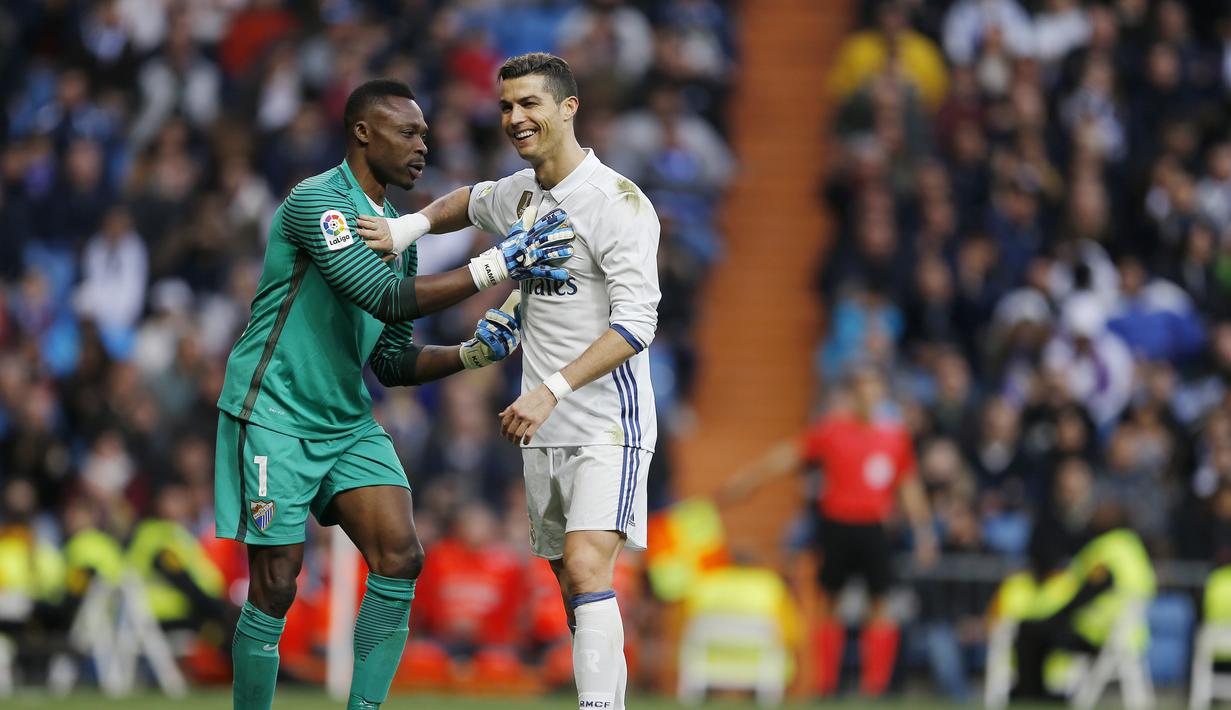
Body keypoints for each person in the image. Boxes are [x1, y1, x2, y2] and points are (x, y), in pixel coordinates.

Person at [213, 78, 575, 710]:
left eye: (426, 135)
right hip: (271, 410)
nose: (422, 147)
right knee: (276, 582)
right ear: (362, 133)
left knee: (401, 556)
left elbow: (390, 361)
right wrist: (498, 265)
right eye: (408, 133)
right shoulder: (317, 202)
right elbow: (378, 296)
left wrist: (471, 353)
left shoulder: (399, 236)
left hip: (345, 419)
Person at [359, 53, 660, 710]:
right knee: (573, 584)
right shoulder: (522, 194)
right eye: (506, 106)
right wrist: (406, 225)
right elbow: (468, 200)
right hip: (540, 423)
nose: (515, 118)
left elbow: (637, 325)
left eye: (530, 103)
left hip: (607, 419)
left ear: (567, 108)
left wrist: (552, 385)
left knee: (587, 567)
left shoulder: (616, 203)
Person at [720, 365, 936, 697]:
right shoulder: (832, 431)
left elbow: (909, 486)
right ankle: (827, 684)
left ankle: (874, 688)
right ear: (853, 395)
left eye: (874, 388)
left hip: (875, 527)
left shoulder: (894, 437)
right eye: (863, 389)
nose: (868, 396)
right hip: (837, 525)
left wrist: (924, 531)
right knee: (829, 604)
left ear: (882, 394)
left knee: (880, 605)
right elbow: (787, 456)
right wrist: (747, 481)